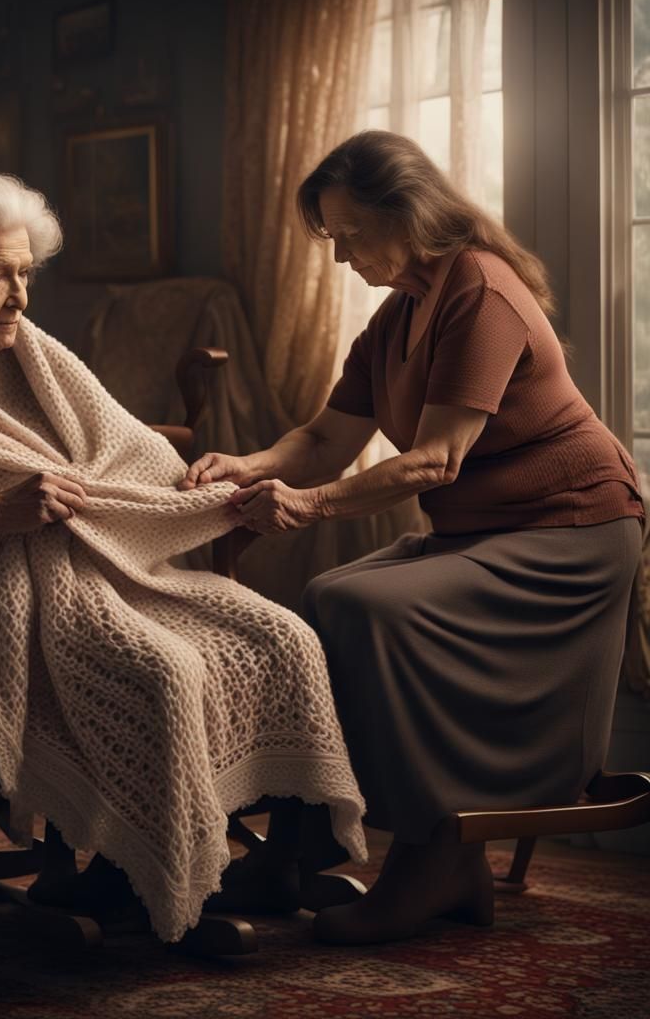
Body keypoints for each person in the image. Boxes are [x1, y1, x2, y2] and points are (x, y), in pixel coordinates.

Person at [0, 170, 368, 945]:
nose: (21, 296)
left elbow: (122, 447)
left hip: (97, 565)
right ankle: (143, 873)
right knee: (159, 668)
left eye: (26, 274)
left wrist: (198, 489)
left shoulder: (33, 351)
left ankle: (282, 860)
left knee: (281, 637)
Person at [181, 130, 644, 945]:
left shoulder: (482, 292)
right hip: (484, 533)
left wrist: (309, 507)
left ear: (410, 212)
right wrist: (245, 466)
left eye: (350, 235)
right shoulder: (398, 316)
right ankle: (294, 851)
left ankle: (433, 862)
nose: (340, 257)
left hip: (570, 536)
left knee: (353, 601)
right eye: (332, 238)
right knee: (309, 616)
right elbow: (324, 436)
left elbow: (434, 462)